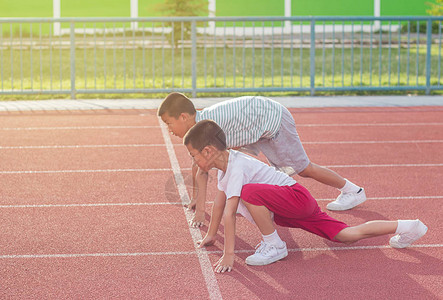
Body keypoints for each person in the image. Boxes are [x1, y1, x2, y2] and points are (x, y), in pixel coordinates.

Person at [183, 119, 428, 273]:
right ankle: (409, 226)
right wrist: (211, 234)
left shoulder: (236, 167)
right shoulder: (227, 169)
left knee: (246, 194)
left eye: (194, 155)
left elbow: (228, 211)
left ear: (208, 150)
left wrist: (229, 255)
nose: (193, 161)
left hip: (295, 198)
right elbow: (218, 203)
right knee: (346, 235)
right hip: (295, 207)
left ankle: (274, 245)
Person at [158, 92, 366, 227]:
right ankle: (263, 205)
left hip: (273, 120)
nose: (169, 130)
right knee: (250, 169)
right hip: (260, 123)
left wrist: (200, 212)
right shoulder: (204, 124)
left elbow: (201, 169)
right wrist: (197, 199)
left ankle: (352, 191)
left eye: (169, 123)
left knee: (303, 168)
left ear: (184, 117)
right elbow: (204, 164)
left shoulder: (206, 129)